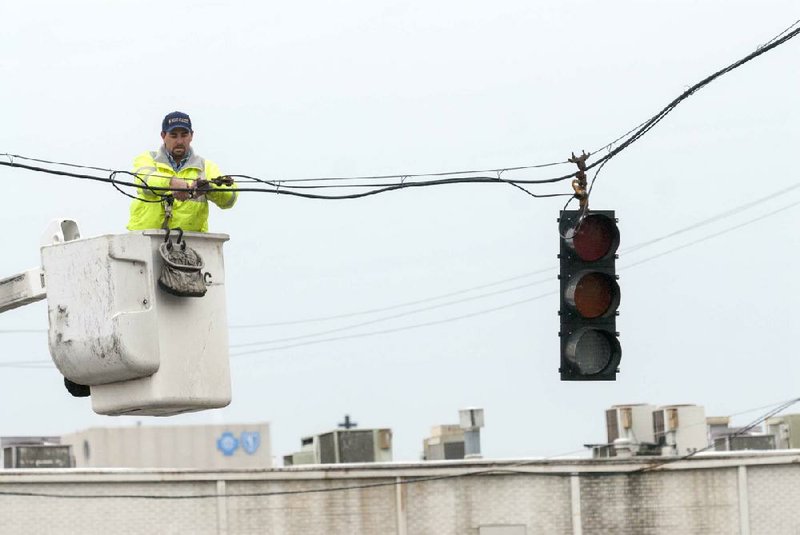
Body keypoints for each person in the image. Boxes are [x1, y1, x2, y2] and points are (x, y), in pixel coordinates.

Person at [127, 111, 238, 232]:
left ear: (191, 135)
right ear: (163, 136)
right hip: (146, 240)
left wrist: (209, 188)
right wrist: (171, 182)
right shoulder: (147, 159)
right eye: (173, 135)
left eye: (184, 135)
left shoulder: (207, 167)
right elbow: (143, 182)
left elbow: (230, 199)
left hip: (190, 245)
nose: (179, 141)